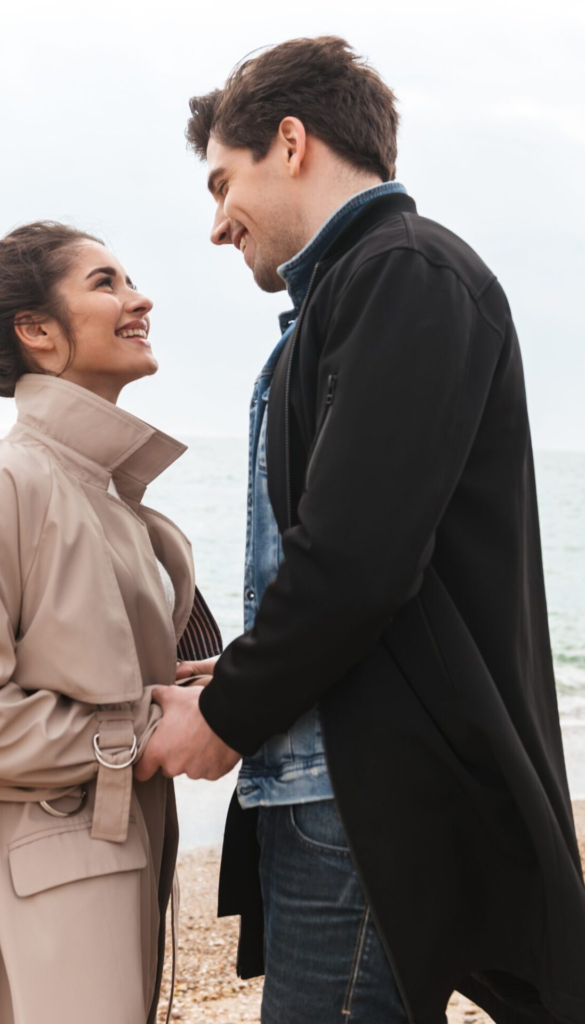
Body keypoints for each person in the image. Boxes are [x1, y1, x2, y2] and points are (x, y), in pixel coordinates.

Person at [137, 36, 585, 1024]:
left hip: (364, 798)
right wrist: (255, 669)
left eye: (223, 182)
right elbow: (361, 558)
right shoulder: (353, 292)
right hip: (337, 776)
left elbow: (358, 559)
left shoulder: (405, 274)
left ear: (290, 142)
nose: (217, 224)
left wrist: (226, 716)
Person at [0, 221, 221, 1024]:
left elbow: (106, 672)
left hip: (107, 863)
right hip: (37, 885)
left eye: (130, 280)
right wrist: (137, 734)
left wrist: (210, 689)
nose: (139, 299)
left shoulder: (104, 495)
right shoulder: (2, 485)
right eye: (106, 283)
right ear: (37, 331)